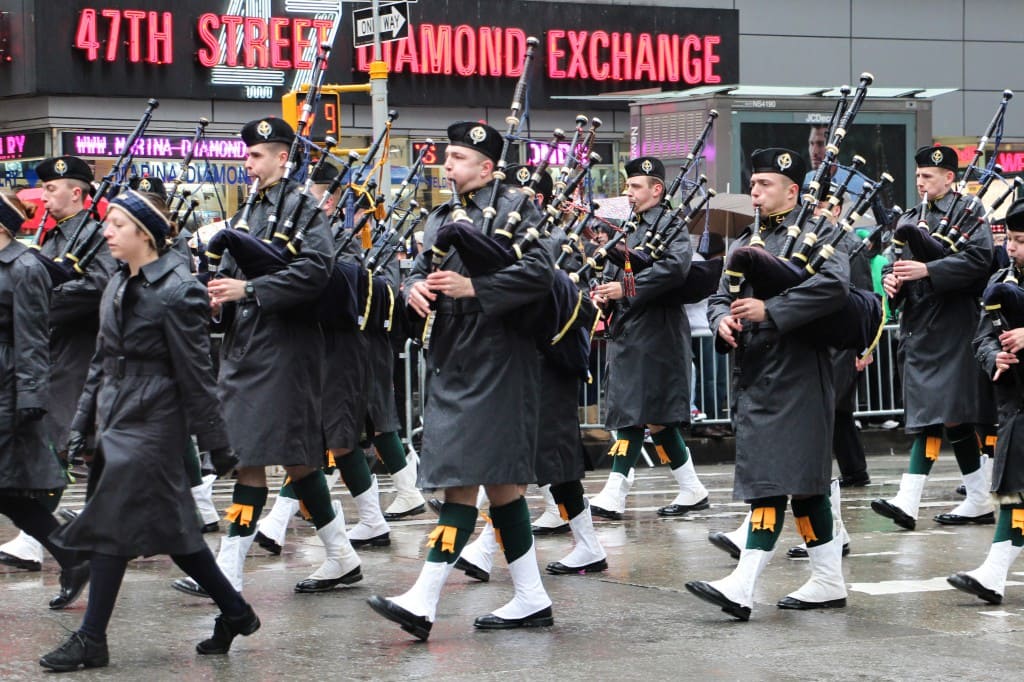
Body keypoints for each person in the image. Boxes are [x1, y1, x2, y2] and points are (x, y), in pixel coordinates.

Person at [40, 190, 257, 671]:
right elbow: (100, 360)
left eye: (116, 224)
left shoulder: (180, 289)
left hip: (155, 423)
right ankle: (237, 611)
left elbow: (197, 375)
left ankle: (92, 638)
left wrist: (218, 445)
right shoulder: (118, 282)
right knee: (177, 534)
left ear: (145, 233)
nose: (106, 232)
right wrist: (81, 425)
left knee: (111, 527)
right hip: (118, 417)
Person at [367, 121, 555, 640]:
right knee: (497, 485)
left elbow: (541, 274)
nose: (446, 166)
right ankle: (531, 597)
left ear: (486, 166)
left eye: (457, 158)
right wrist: (410, 289)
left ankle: (424, 599)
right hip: (452, 355)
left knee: (462, 481)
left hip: (498, 357)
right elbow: (416, 269)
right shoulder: (440, 217)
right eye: (447, 157)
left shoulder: (520, 209)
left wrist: (475, 286)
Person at [172, 117, 361, 598]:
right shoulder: (250, 209)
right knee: (288, 458)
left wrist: (251, 288)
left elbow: (316, 271)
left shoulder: (303, 207)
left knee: (256, 452)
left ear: (282, 158)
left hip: (286, 346)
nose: (249, 163)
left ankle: (229, 570)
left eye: (258, 155)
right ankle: (340, 556)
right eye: (248, 154)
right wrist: (220, 295)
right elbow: (236, 270)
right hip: (248, 344)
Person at [687, 147, 850, 621]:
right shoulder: (749, 234)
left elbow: (833, 287)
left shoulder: (820, 231)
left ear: (792, 189)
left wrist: (771, 311)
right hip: (756, 371)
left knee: (772, 481)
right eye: (753, 184)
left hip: (799, 371)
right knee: (805, 484)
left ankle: (744, 583)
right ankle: (826, 579)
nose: (754, 193)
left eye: (764, 185)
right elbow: (720, 294)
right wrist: (721, 321)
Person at [0, 156, 118, 598]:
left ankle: (69, 542)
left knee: (58, 449)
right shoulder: (51, 236)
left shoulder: (91, 233)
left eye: (52, 188)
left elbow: (102, 289)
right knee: (45, 456)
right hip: (46, 351)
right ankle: (66, 546)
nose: (45, 196)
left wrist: (49, 297)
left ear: (77, 191)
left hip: (80, 354)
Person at [871, 146, 996, 530]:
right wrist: (893, 281)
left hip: (957, 324)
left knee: (939, 415)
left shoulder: (971, 213)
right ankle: (977, 498)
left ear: (948, 178)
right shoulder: (910, 217)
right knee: (951, 419)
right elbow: (895, 265)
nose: (921, 182)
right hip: (920, 324)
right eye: (919, 176)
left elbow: (980, 263)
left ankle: (908, 500)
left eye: (928, 176)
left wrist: (928, 269)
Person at [587, 156, 709, 520]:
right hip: (629, 329)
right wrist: (602, 291)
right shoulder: (629, 226)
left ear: (657, 189)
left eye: (635, 186)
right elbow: (614, 268)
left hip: (657, 331)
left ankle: (615, 491)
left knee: (635, 412)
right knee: (653, 417)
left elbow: (675, 269)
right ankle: (692, 489)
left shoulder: (670, 225)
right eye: (627, 186)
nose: (629, 192)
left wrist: (626, 290)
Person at [0, 189, 90, 608]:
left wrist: (31, 396)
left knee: (12, 493)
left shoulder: (24, 268)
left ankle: (74, 557)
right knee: (10, 495)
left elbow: (34, 337)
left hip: (9, 388)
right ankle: (72, 558)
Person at [947, 198, 1024, 605]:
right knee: (1014, 491)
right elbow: (982, 336)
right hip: (1016, 401)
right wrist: (994, 355)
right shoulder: (1001, 279)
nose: (1012, 248)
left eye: (1021, 241)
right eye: (1010, 239)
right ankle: (993, 574)